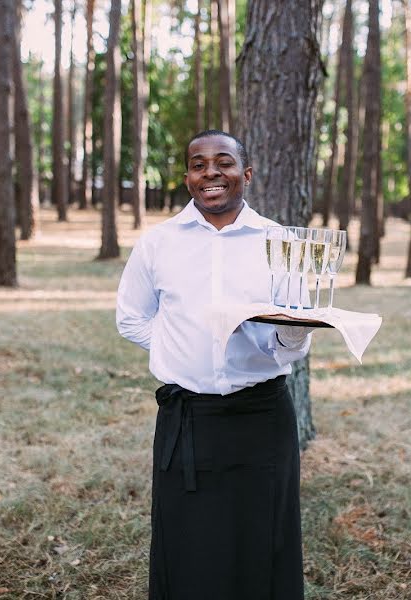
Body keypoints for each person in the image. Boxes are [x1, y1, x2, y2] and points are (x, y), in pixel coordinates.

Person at [116, 130, 314, 600]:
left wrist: (296, 330)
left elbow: (290, 347)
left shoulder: (279, 241)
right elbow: (131, 319)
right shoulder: (158, 244)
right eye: (198, 164)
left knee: (265, 539)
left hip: (261, 419)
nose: (211, 172)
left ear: (245, 174)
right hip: (189, 421)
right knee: (187, 542)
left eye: (223, 162)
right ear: (187, 177)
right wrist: (176, 349)